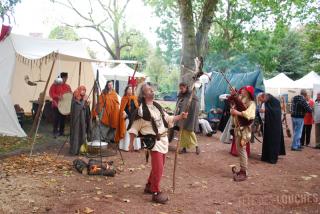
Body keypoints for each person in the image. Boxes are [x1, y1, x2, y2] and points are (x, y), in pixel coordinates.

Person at [128, 83, 187, 204]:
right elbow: (134, 128)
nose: (152, 92)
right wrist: (131, 144)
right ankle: (155, 192)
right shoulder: (141, 111)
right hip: (153, 142)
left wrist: (180, 116)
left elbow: (168, 119)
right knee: (158, 168)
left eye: (152, 90)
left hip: (164, 140)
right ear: (144, 95)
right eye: (149, 90)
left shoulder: (157, 106)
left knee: (158, 167)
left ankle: (149, 185)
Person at [229, 85, 256, 182]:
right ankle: (242, 170)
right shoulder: (241, 99)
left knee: (242, 150)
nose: (242, 90)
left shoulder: (251, 103)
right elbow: (234, 108)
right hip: (238, 129)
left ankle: (244, 172)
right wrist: (233, 111)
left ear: (248, 92)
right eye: (243, 89)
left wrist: (237, 112)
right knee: (240, 150)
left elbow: (249, 115)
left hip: (244, 130)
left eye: (244, 89)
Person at [258, 93, 286, 164]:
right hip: (269, 124)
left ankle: (272, 157)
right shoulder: (268, 101)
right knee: (268, 139)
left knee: (273, 141)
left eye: (260, 99)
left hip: (274, 126)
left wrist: (265, 111)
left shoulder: (273, 101)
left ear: (263, 97)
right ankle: (267, 156)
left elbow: (276, 111)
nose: (260, 101)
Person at [175, 82, 200, 155]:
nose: (181, 90)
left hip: (190, 116)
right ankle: (184, 148)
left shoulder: (192, 95)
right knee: (182, 132)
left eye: (182, 88)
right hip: (182, 116)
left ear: (186, 87)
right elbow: (179, 104)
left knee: (190, 131)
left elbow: (195, 106)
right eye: (180, 88)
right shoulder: (181, 95)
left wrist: (188, 110)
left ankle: (196, 146)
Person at [117, 85, 141, 151]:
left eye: (131, 89)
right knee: (127, 132)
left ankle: (135, 147)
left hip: (134, 118)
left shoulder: (134, 98)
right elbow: (122, 109)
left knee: (134, 132)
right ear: (126, 90)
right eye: (129, 89)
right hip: (127, 118)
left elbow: (137, 108)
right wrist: (124, 113)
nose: (130, 90)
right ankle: (125, 147)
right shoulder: (124, 98)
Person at [69, 86, 91, 155]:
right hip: (76, 121)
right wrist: (84, 103)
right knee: (76, 134)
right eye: (82, 90)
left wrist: (87, 104)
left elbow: (85, 109)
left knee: (83, 134)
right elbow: (77, 108)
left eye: (84, 90)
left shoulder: (84, 97)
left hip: (82, 120)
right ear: (79, 90)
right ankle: (75, 150)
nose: (83, 92)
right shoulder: (75, 97)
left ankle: (82, 150)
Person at [49, 72, 71, 138]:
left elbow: (70, 95)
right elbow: (51, 93)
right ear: (61, 78)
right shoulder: (55, 85)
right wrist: (57, 96)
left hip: (64, 106)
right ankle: (55, 132)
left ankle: (61, 132)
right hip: (56, 104)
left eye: (66, 78)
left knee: (63, 119)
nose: (66, 79)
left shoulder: (67, 86)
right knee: (56, 119)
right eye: (65, 78)